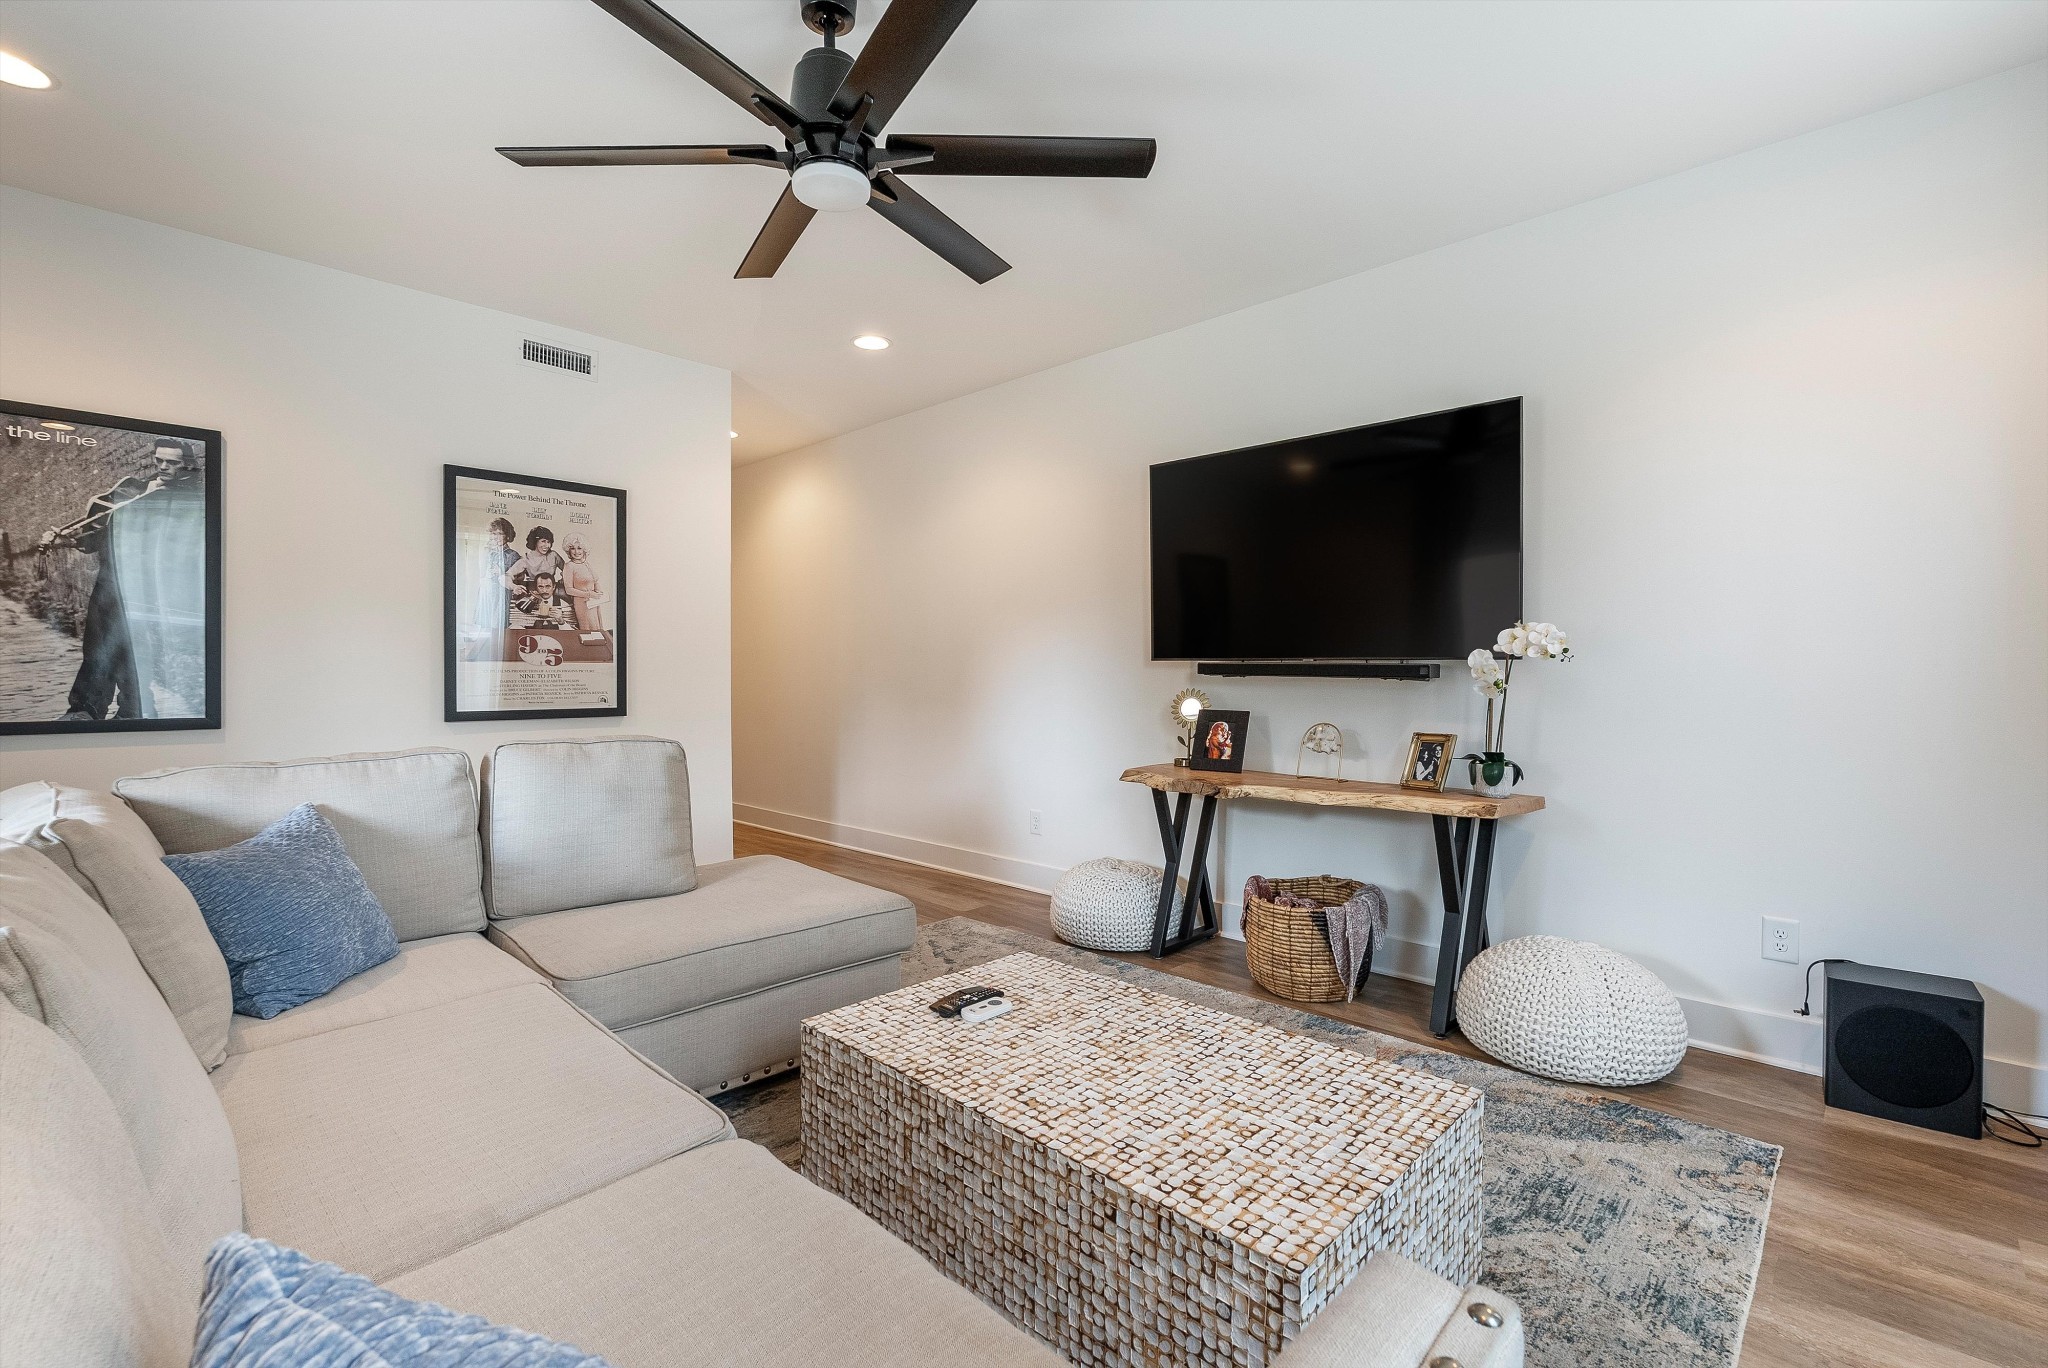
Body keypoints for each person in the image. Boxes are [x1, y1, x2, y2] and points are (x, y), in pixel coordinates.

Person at [45, 437, 195, 722]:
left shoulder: (189, 499)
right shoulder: (131, 489)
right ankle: (88, 709)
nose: (164, 466)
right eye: (159, 460)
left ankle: (129, 708)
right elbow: (92, 539)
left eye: (172, 462)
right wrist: (62, 537)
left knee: (132, 645)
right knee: (98, 642)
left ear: (185, 465)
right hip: (112, 580)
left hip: (150, 585)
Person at [473, 517, 518, 633]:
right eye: (494, 534)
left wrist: (501, 572)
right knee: (484, 625)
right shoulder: (488, 552)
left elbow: (517, 578)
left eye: (500, 534)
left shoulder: (512, 555)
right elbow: (481, 573)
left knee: (498, 625)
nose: (496, 537)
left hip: (501, 593)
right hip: (487, 591)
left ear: (507, 536)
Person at [559, 531, 606, 633]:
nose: (576, 552)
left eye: (579, 548)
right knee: (588, 630)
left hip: (594, 601)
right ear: (568, 550)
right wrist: (589, 594)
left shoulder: (586, 564)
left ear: (584, 549)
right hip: (582, 604)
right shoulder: (569, 566)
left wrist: (598, 591)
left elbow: (595, 580)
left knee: (597, 628)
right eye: (573, 548)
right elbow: (569, 590)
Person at [508, 525, 564, 597]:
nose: (547, 545)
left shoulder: (553, 555)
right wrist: (514, 587)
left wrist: (564, 578)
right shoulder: (526, 559)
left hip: (551, 592)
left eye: (548, 542)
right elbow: (506, 576)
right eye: (543, 541)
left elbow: (567, 570)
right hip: (533, 593)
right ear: (535, 542)